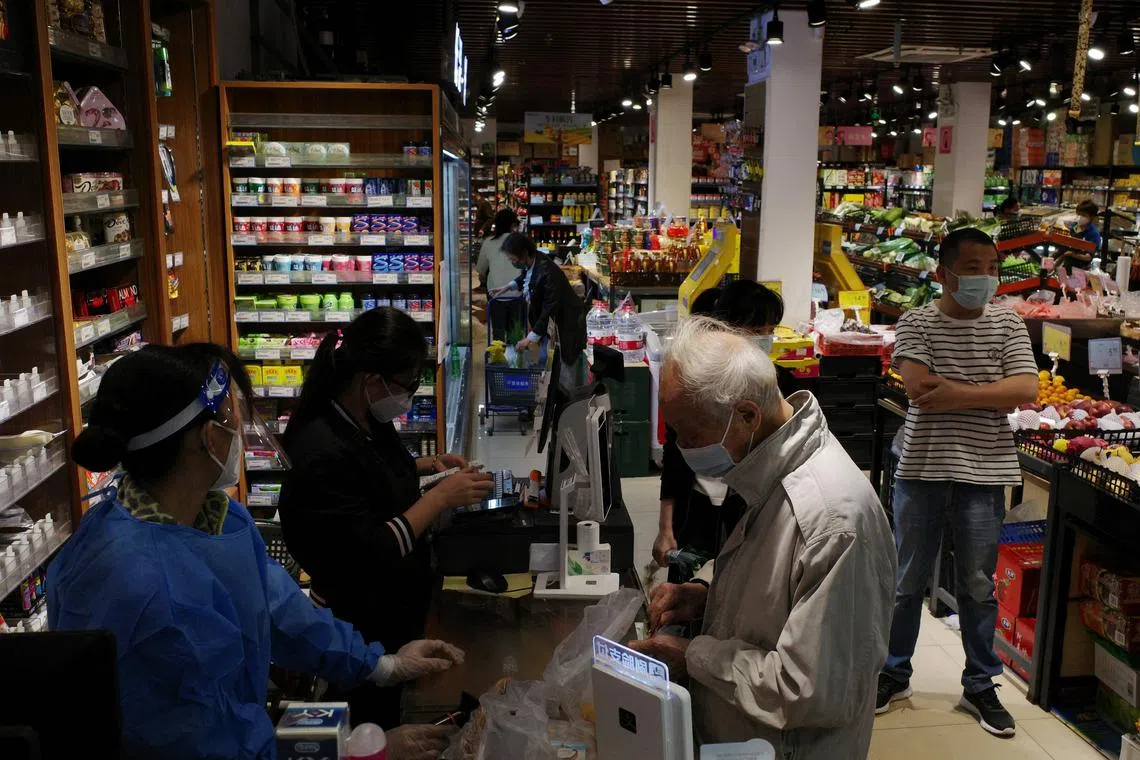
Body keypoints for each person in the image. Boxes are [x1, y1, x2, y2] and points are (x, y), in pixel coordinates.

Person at [48, 343, 461, 759]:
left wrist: (383, 665)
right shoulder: (145, 592)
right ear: (210, 437)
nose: (241, 431)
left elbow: (279, 610)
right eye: (233, 416)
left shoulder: (218, 518)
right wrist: (363, 751)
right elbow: (211, 746)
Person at [631, 317, 896, 758]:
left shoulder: (832, 520)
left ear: (748, 415)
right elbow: (782, 598)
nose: (679, 446)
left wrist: (691, 653)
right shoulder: (765, 468)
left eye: (688, 433)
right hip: (741, 734)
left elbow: (806, 689)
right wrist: (706, 598)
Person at [278, 308, 494, 728]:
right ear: (370, 381)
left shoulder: (362, 418)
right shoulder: (319, 446)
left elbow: (373, 475)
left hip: (394, 609)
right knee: (374, 725)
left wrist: (427, 466)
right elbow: (369, 550)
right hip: (361, 626)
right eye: (406, 384)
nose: (410, 394)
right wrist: (439, 499)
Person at [876, 227, 1038, 737]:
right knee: (905, 582)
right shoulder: (917, 320)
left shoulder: (1009, 325)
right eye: (973, 268)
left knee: (977, 585)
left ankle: (980, 683)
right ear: (943, 274)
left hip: (985, 471)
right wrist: (991, 392)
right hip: (922, 467)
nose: (985, 278)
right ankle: (893, 671)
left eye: (992, 268)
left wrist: (957, 392)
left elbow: (1027, 389)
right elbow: (919, 388)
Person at [654, 281, 795, 575]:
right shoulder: (695, 386)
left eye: (770, 330)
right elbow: (675, 457)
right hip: (698, 510)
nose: (764, 340)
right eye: (756, 331)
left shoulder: (783, 388)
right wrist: (665, 526)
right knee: (686, 586)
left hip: (750, 514)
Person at [494, 232, 586, 363]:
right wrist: (508, 287)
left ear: (524, 253)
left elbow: (549, 308)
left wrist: (529, 338)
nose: (512, 262)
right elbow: (528, 277)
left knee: (555, 362)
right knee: (547, 359)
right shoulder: (535, 261)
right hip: (553, 324)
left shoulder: (548, 272)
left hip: (566, 324)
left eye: (513, 259)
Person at [476, 209, 521, 294]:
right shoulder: (520, 241)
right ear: (513, 225)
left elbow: (481, 270)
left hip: (494, 292)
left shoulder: (488, 242)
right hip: (518, 292)